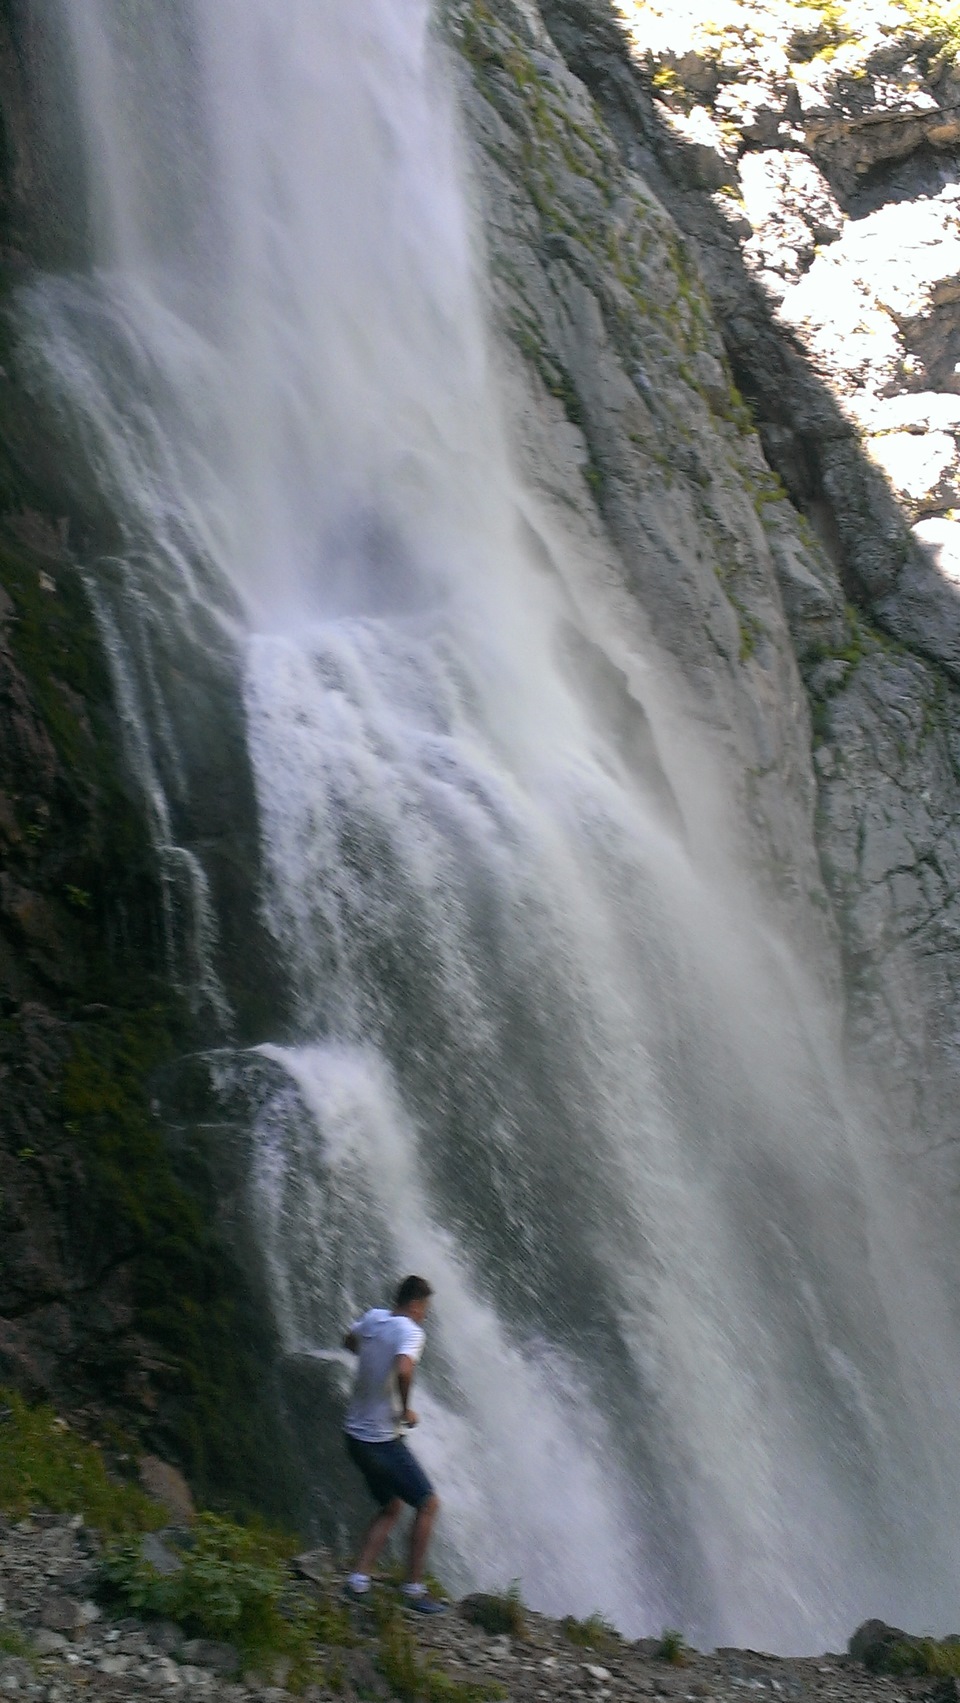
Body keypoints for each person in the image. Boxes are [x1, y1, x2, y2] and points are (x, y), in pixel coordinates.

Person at [342, 1274, 444, 1613]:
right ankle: (413, 1590)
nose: (425, 1315)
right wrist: (404, 1409)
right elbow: (403, 1370)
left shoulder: (374, 1319)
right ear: (415, 1305)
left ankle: (358, 1581)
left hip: (354, 1436)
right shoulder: (411, 1331)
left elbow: (348, 1341)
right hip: (381, 1440)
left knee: (391, 1507)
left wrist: (371, 1360)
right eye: (424, 1309)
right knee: (428, 1504)